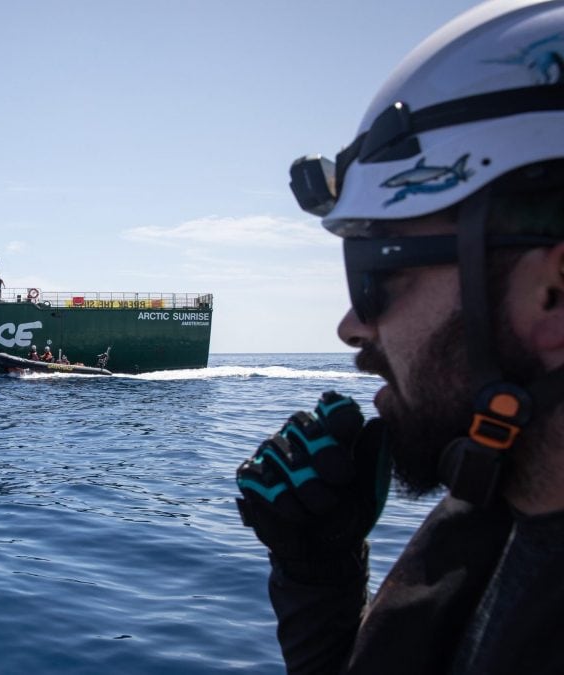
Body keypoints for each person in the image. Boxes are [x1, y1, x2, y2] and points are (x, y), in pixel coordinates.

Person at [235, 1, 564, 672]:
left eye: (377, 272)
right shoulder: (498, 521)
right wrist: (319, 578)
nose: (352, 325)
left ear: (554, 293)